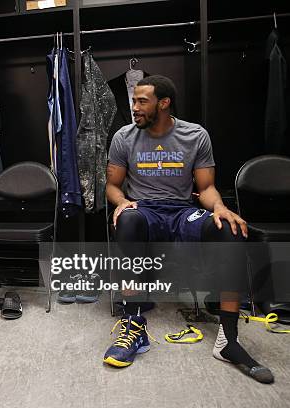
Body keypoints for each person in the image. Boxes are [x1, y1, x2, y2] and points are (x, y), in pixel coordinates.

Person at [103, 75, 274, 383]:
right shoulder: (123, 138)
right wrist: (122, 202)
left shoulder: (195, 136)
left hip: (183, 211)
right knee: (127, 220)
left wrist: (220, 209)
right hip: (145, 211)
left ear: (163, 103)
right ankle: (133, 325)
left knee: (229, 229)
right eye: (134, 101)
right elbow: (112, 186)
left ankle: (228, 341)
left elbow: (205, 188)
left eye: (142, 101)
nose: (134, 108)